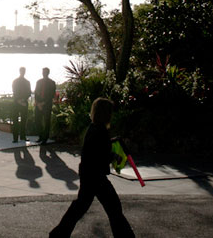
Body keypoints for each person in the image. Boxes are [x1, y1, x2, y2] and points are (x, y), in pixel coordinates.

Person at [49, 98, 134, 238]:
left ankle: (59, 234)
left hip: (88, 174)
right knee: (113, 207)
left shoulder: (93, 128)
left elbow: (98, 150)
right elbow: (102, 154)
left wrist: (111, 154)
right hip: (96, 176)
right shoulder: (101, 131)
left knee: (81, 206)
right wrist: (114, 156)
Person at [34, 67, 56, 144]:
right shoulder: (38, 82)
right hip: (38, 105)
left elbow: (51, 95)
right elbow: (36, 93)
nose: (43, 73)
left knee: (47, 122)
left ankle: (45, 139)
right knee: (37, 121)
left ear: (48, 73)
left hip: (47, 105)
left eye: (45, 72)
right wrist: (37, 103)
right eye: (43, 72)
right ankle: (40, 136)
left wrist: (43, 103)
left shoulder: (52, 82)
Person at [11, 67, 31, 142]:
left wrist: (21, 100)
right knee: (16, 120)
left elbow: (29, 93)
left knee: (23, 120)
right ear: (20, 71)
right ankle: (16, 138)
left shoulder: (26, 82)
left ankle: (22, 136)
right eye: (22, 71)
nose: (23, 72)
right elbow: (14, 91)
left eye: (24, 71)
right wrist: (21, 100)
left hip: (21, 102)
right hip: (19, 103)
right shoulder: (15, 81)